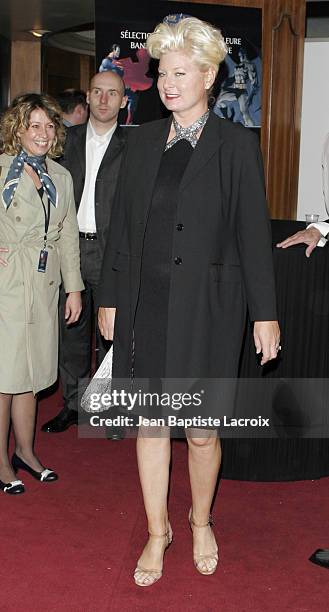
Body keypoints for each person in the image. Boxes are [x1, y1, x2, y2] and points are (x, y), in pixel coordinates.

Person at [98, 16, 280, 586]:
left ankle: (201, 520)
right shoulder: (141, 140)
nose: (168, 83)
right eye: (162, 73)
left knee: (200, 430)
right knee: (151, 425)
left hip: (210, 311)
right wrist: (109, 296)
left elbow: (254, 235)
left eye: (180, 73)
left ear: (208, 75)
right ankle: (159, 531)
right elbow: (121, 230)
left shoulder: (237, 145)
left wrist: (266, 313)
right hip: (147, 305)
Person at [0, 93, 83, 494]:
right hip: (5, 283)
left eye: (48, 126)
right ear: (18, 130)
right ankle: (0, 460)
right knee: (1, 378)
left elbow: (68, 236)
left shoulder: (61, 177)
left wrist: (73, 288)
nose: (42, 133)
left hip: (44, 285)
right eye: (33, 125)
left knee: (33, 376)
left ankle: (26, 451)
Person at [41, 71, 128, 438]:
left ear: (124, 102)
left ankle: (110, 408)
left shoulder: (137, 146)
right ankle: (74, 405)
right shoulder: (64, 142)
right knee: (71, 332)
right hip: (70, 250)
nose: (104, 99)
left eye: (113, 93)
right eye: (98, 92)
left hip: (114, 253)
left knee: (114, 335)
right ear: (87, 97)